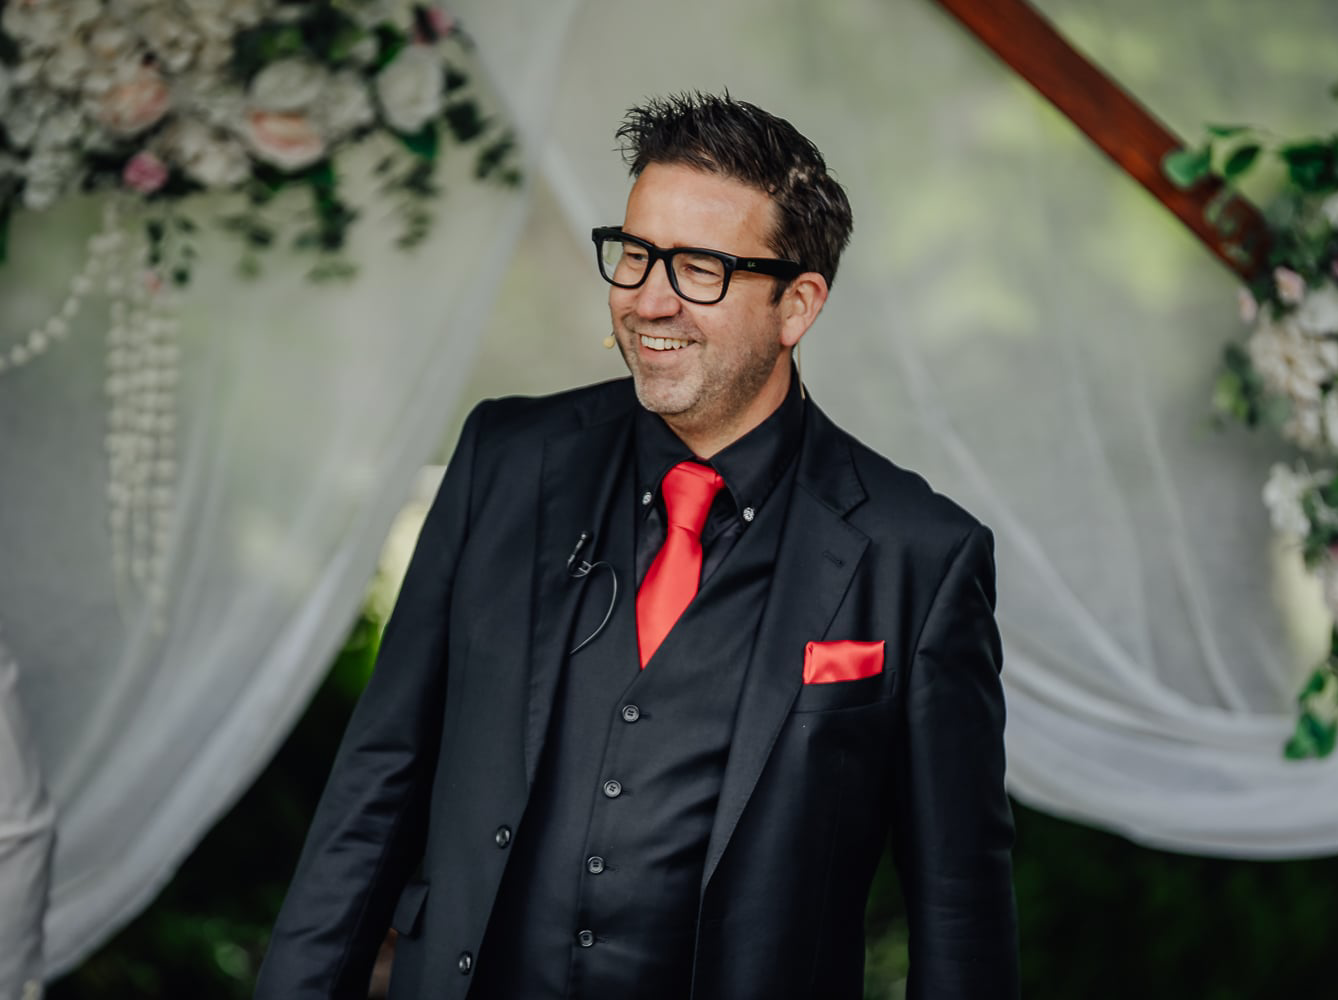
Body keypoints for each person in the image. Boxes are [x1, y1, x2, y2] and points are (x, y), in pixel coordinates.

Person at [255, 92, 1017, 1000]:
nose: (651, 297)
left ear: (797, 304)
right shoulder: (505, 461)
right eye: (637, 253)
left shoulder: (917, 555)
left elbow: (959, 908)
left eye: (699, 267)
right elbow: (376, 786)